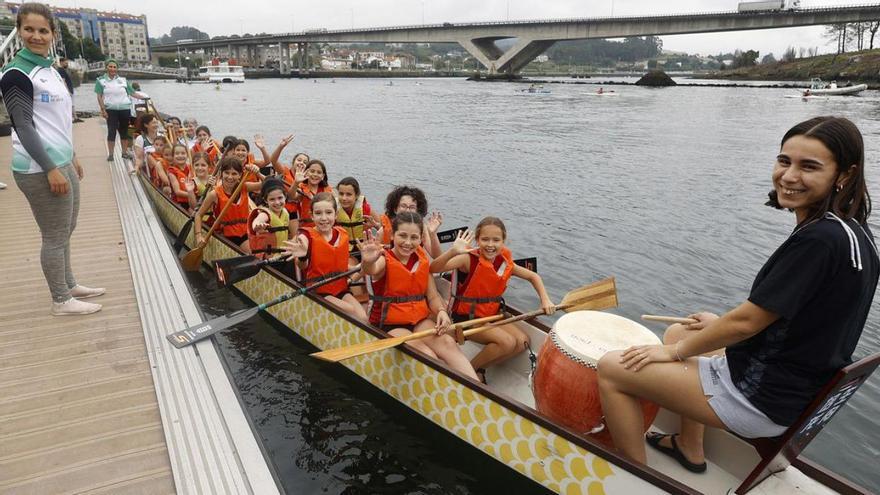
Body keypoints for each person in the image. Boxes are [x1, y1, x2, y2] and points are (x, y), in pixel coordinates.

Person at [596, 116, 878, 474]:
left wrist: (672, 354)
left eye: (809, 167)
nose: (789, 176)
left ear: (845, 175)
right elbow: (798, 316)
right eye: (784, 161)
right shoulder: (854, 232)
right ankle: (689, 447)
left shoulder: (818, 240)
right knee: (684, 331)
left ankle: (637, 477)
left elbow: (747, 322)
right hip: (798, 386)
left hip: (762, 398)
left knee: (612, 369)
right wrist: (702, 334)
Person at [0, 3, 104, 315]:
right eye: (29, 29)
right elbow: (24, 126)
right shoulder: (16, 73)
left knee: (67, 227)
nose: (36, 35)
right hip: (37, 167)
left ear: (52, 34)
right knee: (54, 236)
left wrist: (71, 155)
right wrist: (49, 168)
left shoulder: (52, 71)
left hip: (61, 161)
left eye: (43, 30)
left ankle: (69, 282)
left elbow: (58, 120)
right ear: (19, 31)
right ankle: (61, 300)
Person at [429, 218, 555, 382]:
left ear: (504, 241)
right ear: (477, 240)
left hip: (489, 315)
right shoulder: (468, 259)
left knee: (523, 341)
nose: (490, 245)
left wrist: (545, 300)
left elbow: (533, 276)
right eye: (485, 239)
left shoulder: (504, 262)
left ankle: (480, 368)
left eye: (496, 240)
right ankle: (469, 373)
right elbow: (434, 268)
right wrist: (453, 251)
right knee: (508, 342)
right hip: (466, 318)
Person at [359, 212, 479, 380]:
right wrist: (368, 261)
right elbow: (371, 269)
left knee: (447, 343)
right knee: (426, 354)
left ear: (420, 238)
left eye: (414, 237)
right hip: (390, 324)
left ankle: (476, 386)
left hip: (418, 320)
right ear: (392, 235)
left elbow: (433, 297)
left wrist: (442, 312)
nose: (408, 243)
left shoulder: (422, 259)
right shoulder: (383, 259)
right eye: (402, 236)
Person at [282, 192, 366, 320]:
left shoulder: (342, 234)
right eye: (318, 213)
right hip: (318, 291)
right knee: (349, 310)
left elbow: (340, 266)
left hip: (340, 288)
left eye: (328, 212)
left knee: (363, 317)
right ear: (312, 215)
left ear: (336, 214)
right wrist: (303, 255)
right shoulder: (306, 236)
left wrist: (360, 266)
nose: (323, 218)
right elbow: (302, 265)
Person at [194, 156, 264, 253]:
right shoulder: (214, 194)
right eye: (227, 173)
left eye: (234, 174)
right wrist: (198, 236)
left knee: (260, 251)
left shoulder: (244, 187)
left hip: (245, 232)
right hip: (225, 235)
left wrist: (258, 173)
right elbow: (198, 215)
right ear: (221, 174)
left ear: (240, 175)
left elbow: (267, 183)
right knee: (252, 253)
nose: (230, 177)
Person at [94, 59, 147, 161]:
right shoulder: (100, 80)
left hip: (124, 109)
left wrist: (143, 98)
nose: (112, 69)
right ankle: (111, 154)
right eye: (110, 66)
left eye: (114, 67)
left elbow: (132, 93)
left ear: (117, 69)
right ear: (106, 68)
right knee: (111, 131)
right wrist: (103, 110)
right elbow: (99, 96)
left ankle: (124, 152)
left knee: (124, 131)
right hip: (111, 110)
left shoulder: (123, 80)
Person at [378, 185, 443, 257]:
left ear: (417, 210)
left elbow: (437, 256)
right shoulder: (383, 230)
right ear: (395, 209)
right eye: (403, 206)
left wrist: (432, 234)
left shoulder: (422, 228)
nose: (407, 210)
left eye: (412, 207)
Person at [248, 178, 293, 260]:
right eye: (272, 199)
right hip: (270, 258)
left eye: (280, 198)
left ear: (285, 196)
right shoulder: (265, 213)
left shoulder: (285, 212)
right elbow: (257, 221)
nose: (277, 202)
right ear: (265, 200)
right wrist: (257, 226)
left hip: (282, 254)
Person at [335, 176, 380, 252]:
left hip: (366, 247)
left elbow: (382, 228)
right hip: (345, 249)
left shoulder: (365, 209)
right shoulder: (333, 210)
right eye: (341, 194)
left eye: (349, 194)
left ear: (356, 195)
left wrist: (375, 225)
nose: (344, 198)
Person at [289, 159, 333, 228]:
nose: (315, 174)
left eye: (319, 172)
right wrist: (296, 182)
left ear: (323, 176)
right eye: (312, 171)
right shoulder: (302, 188)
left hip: (324, 225)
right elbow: (291, 196)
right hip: (306, 226)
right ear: (306, 172)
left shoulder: (328, 190)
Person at [166, 143, 196, 211]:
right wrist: (193, 196)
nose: (180, 156)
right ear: (173, 156)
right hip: (180, 202)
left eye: (183, 153)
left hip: (194, 200)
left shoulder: (192, 168)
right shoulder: (172, 171)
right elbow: (177, 192)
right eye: (177, 154)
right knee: (192, 212)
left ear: (187, 155)